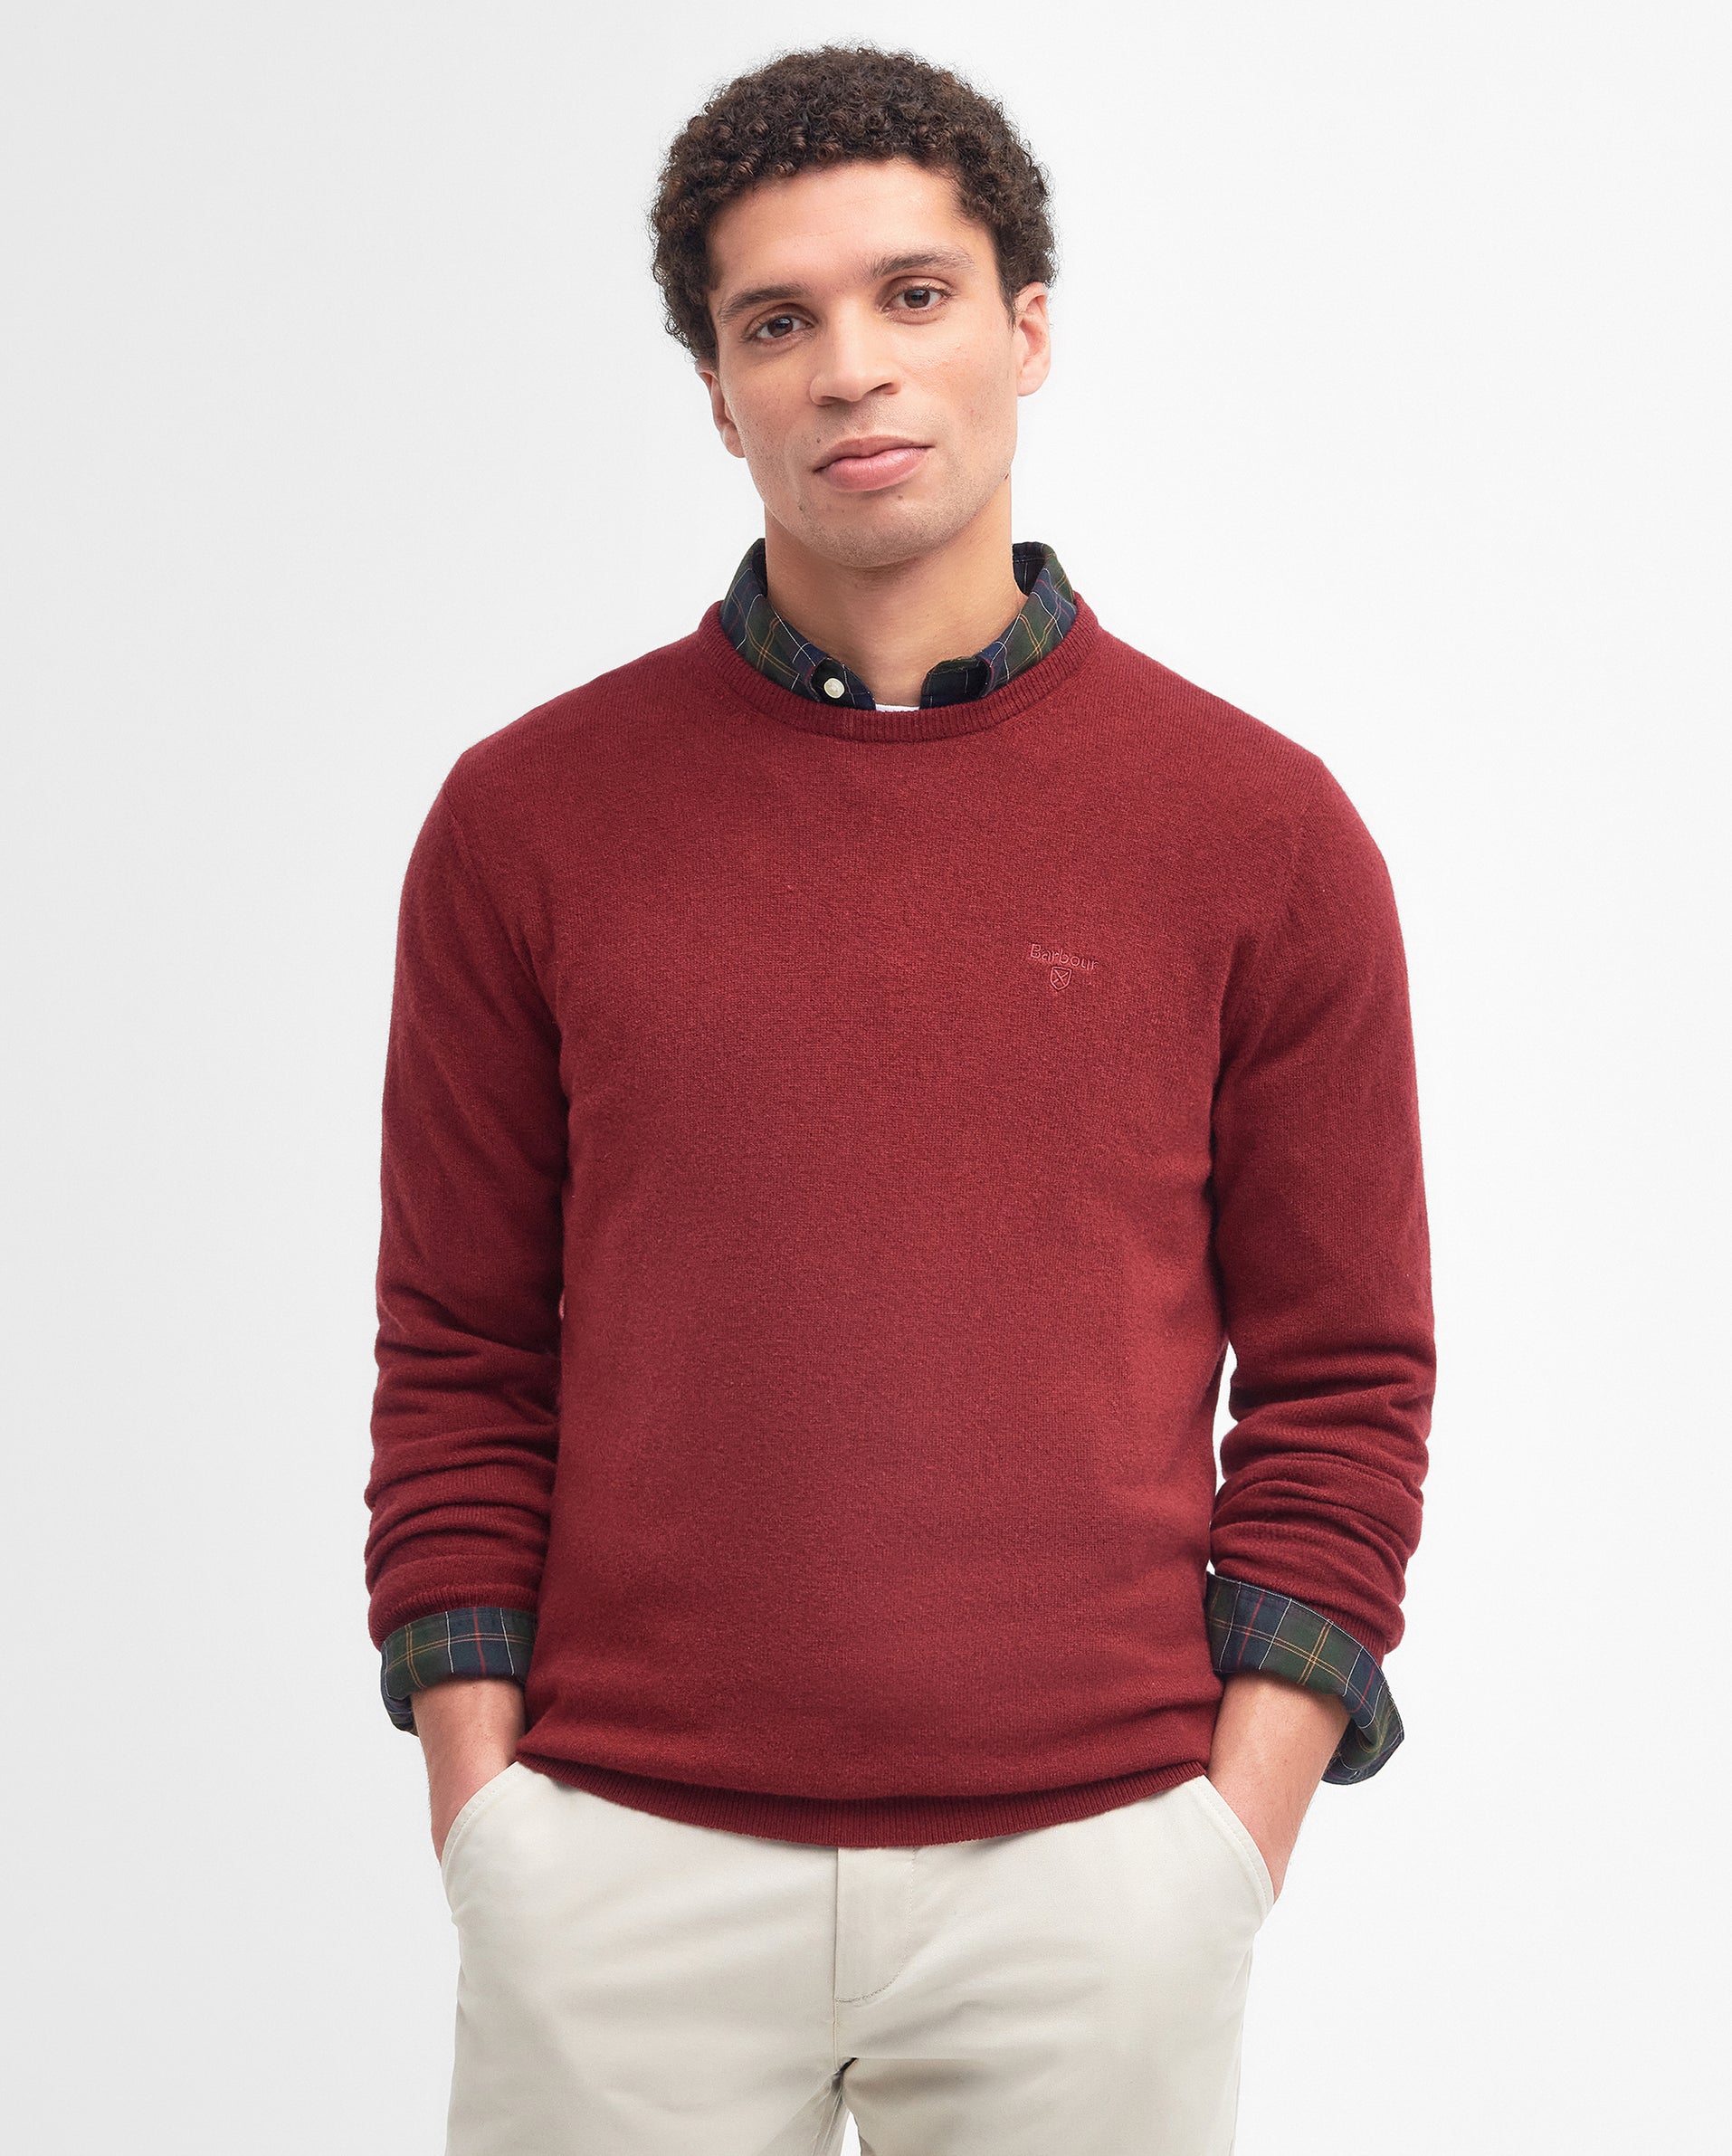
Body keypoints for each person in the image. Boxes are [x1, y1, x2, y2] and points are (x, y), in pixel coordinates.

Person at [362, 43, 1435, 2156]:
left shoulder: (1258, 829)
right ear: (718, 389)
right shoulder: (526, 822)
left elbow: (1345, 1378)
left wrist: (1221, 1844)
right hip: (620, 1872)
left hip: (1093, 1877)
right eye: (778, 322)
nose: (852, 365)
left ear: (1026, 327)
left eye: (912, 294)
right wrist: (492, 1818)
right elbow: (459, 1350)